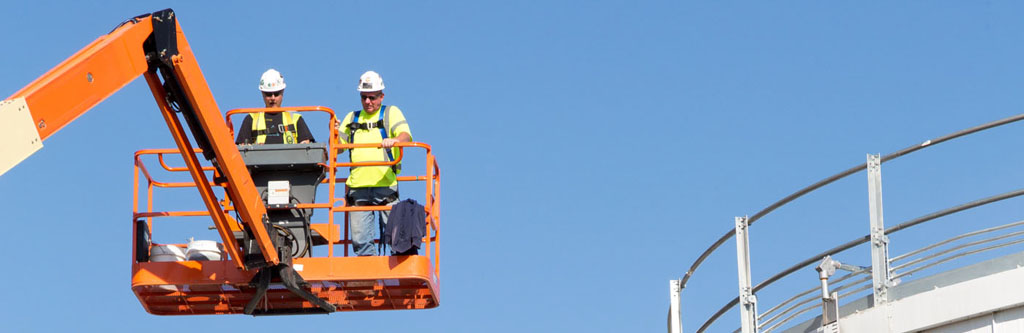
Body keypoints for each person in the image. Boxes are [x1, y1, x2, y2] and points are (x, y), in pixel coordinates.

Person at [337, 70, 412, 256]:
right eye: (364, 97)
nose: (368, 102)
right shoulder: (352, 118)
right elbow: (338, 148)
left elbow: (405, 135)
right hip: (358, 186)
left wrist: (395, 141)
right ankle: (367, 282)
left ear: (381, 96)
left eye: (372, 97)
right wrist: (334, 131)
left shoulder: (390, 113)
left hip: (385, 184)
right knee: (361, 241)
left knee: (397, 238)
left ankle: (399, 276)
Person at [235, 69, 314, 144]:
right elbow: (241, 151)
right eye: (269, 94)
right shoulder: (251, 119)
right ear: (263, 93)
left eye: (276, 94)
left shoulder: (296, 119)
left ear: (282, 92)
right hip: (260, 158)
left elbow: (308, 149)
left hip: (290, 158)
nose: (273, 98)